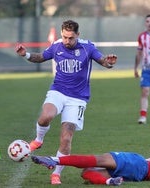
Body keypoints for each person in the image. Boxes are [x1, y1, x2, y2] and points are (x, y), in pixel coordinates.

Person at [15, 19, 117, 185]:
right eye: (64, 37)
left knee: (66, 139)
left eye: (70, 38)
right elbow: (40, 57)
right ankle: (39, 140)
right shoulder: (56, 45)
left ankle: (56, 173)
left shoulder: (87, 47)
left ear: (78, 34)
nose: (67, 41)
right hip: (58, 91)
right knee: (45, 117)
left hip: (78, 98)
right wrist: (25, 54)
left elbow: (103, 61)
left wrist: (109, 63)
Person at [31, 140, 150, 186]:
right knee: (86, 172)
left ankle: (54, 160)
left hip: (140, 166)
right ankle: (110, 181)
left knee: (101, 158)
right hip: (137, 174)